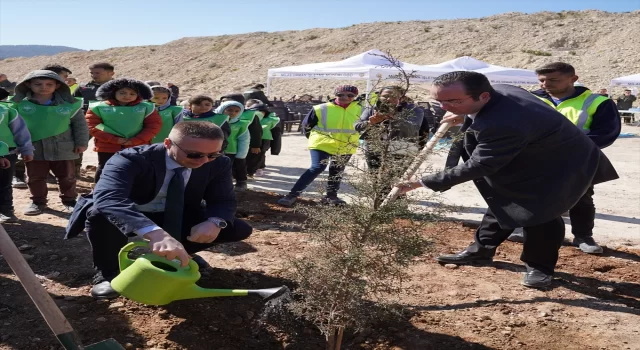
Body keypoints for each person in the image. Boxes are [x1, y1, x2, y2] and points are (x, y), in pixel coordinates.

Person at [396, 71, 618, 288]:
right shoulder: (499, 91)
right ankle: (481, 251)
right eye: (439, 101)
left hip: (562, 165)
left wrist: (421, 182)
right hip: (530, 155)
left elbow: (480, 165)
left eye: (452, 101)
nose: (444, 108)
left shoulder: (503, 123)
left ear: (483, 96)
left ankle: (540, 268)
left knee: (541, 214)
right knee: (502, 199)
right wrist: (463, 112)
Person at [65, 122, 253, 299]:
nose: (204, 161)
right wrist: (154, 233)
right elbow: (109, 198)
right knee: (99, 215)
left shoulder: (219, 164)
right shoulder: (130, 158)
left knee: (237, 228)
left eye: (213, 155)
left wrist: (214, 222)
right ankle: (108, 272)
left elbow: (223, 200)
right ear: (168, 143)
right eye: (194, 154)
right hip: (134, 212)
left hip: (178, 210)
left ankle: (178, 256)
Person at [502, 62, 621, 253]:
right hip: (534, 158)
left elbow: (607, 132)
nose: (545, 84)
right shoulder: (529, 99)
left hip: (577, 159)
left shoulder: (597, 102)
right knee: (529, 194)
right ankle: (523, 228)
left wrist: (571, 146)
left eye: (553, 79)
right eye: (542, 80)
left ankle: (583, 236)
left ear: (573, 79)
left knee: (581, 197)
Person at [8, 70, 89, 215]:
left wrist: (81, 142)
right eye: (38, 84)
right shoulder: (19, 105)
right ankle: (38, 202)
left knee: (67, 177)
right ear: (28, 84)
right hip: (34, 149)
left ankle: (70, 201)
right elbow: (12, 127)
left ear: (58, 85)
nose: (43, 87)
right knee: (35, 177)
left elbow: (80, 125)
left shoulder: (70, 105)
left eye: (49, 84)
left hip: (63, 148)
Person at [277, 85, 362, 207]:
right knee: (317, 167)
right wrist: (314, 139)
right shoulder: (321, 108)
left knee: (337, 171)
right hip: (322, 143)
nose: (345, 97)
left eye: (350, 95)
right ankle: (292, 195)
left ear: (355, 97)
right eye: (341, 94)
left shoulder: (361, 109)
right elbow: (307, 126)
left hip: (346, 145)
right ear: (335, 95)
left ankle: (331, 197)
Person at [354, 86, 427, 203]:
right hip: (374, 147)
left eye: (393, 96)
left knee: (395, 180)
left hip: (401, 148)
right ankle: (380, 206)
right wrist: (370, 122)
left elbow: (412, 128)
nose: (388, 99)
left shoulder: (414, 109)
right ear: (379, 96)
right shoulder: (372, 109)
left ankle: (397, 207)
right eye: (385, 96)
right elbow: (357, 126)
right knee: (376, 178)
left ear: (401, 97)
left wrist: (393, 117)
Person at [85, 78, 162, 184]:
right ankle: (99, 192)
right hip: (107, 147)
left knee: (137, 170)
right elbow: (95, 126)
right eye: (122, 93)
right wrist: (114, 139)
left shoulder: (147, 108)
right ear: (113, 92)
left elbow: (153, 126)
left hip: (138, 146)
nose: (127, 96)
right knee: (105, 169)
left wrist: (135, 140)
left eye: (132, 93)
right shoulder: (99, 107)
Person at [74, 62, 116, 177]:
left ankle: (108, 172)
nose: (94, 75)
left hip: (108, 123)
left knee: (108, 146)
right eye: (92, 73)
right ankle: (74, 171)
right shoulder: (83, 87)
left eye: (98, 73)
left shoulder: (119, 88)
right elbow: (73, 103)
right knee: (78, 144)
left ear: (111, 73)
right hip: (87, 122)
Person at [0, 87, 34, 222]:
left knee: (4, 183)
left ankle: (6, 211)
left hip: (7, 153)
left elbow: (21, 133)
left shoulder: (8, 111)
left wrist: (27, 150)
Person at [220, 93, 263, 172]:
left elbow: (256, 131)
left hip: (243, 143)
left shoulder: (250, 114)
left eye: (226, 101)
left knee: (241, 162)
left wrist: (256, 145)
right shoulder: (219, 113)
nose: (224, 103)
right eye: (222, 101)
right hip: (225, 145)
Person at [215, 101, 250, 191]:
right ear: (222, 109)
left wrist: (241, 154)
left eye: (236, 111)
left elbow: (244, 140)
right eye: (229, 110)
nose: (233, 113)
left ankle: (241, 182)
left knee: (237, 167)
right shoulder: (215, 120)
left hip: (232, 150)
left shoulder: (241, 124)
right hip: (216, 150)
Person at [245, 100, 281, 178]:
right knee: (250, 156)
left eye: (261, 112)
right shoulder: (250, 119)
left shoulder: (270, 119)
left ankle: (252, 171)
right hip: (252, 140)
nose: (259, 114)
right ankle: (250, 171)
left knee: (259, 156)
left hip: (264, 140)